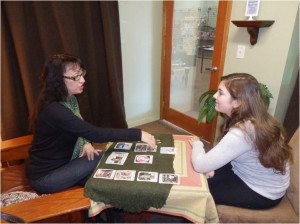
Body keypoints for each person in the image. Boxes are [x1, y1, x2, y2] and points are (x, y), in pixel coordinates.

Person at [27, 53, 157, 194]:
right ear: (58, 80)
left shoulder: (68, 100)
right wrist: (138, 133)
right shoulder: (55, 111)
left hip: (65, 162)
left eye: (81, 73)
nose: (82, 80)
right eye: (76, 77)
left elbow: (78, 129)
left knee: (102, 177)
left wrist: (85, 143)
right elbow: (95, 134)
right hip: (46, 178)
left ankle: (107, 210)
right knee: (104, 157)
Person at [189, 73, 293, 209]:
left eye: (220, 93)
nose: (214, 96)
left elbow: (200, 165)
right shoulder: (257, 118)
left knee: (195, 191)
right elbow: (225, 148)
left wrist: (197, 144)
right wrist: (213, 166)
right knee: (203, 176)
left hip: (262, 192)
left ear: (237, 102)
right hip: (251, 173)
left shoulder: (242, 133)